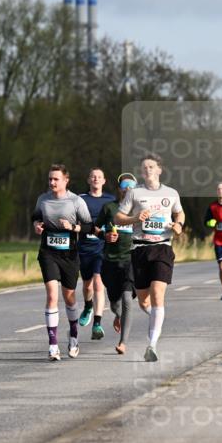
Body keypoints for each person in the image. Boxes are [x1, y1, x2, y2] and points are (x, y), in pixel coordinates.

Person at [114, 153, 185, 363]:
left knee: (157, 293)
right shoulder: (134, 194)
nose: (148, 170)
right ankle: (156, 318)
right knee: (144, 299)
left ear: (159, 170)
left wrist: (178, 225)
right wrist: (135, 218)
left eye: (152, 167)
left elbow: (179, 213)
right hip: (140, 249)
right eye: (144, 168)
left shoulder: (171, 193)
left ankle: (152, 344)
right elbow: (119, 217)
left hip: (162, 248)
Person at [33, 164, 92, 361]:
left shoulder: (76, 201)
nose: (51, 182)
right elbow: (35, 217)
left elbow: (89, 226)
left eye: (55, 179)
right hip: (48, 252)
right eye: (50, 179)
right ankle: (52, 345)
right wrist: (37, 226)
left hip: (69, 254)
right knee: (51, 296)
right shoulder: (43, 199)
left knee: (69, 297)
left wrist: (73, 227)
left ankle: (74, 336)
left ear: (66, 180)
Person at [97, 173, 136, 354]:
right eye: (124, 186)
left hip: (130, 260)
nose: (127, 189)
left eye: (131, 186)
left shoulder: (139, 209)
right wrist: (104, 235)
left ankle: (123, 343)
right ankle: (118, 315)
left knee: (127, 298)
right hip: (110, 261)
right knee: (114, 303)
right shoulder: (109, 208)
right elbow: (95, 228)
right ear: (119, 188)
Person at [77, 168, 116, 341]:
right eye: (93, 176)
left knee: (99, 283)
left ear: (104, 180)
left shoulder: (111, 199)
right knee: (87, 286)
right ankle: (87, 307)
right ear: (88, 180)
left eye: (99, 177)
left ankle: (97, 324)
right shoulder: (80, 199)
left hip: (102, 247)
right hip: (84, 247)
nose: (96, 179)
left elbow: (117, 219)